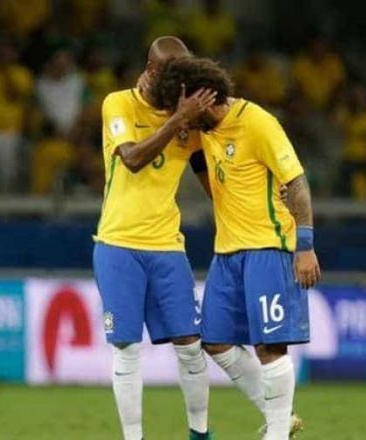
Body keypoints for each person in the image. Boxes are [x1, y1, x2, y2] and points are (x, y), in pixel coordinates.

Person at [151, 56, 320, 440]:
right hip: (226, 253)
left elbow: (295, 182)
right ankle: (278, 414)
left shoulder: (258, 122)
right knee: (215, 340)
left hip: (269, 247)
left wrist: (305, 245)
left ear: (206, 99)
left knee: (269, 346)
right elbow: (200, 164)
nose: (184, 118)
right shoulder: (204, 131)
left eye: (187, 109)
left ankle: (276, 433)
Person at [93, 36, 216, 440]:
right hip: (118, 245)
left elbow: (214, 185)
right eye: (170, 75)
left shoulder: (186, 120)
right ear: (150, 71)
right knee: (126, 348)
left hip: (167, 246)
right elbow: (131, 158)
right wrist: (178, 120)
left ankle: (199, 434)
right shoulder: (119, 103)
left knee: (190, 345)